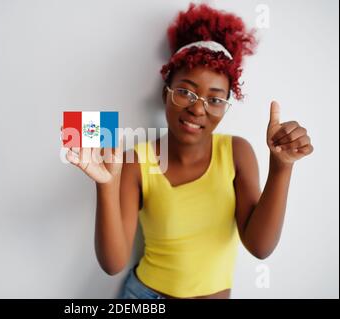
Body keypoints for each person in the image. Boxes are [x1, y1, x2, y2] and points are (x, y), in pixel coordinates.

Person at [62, 3, 314, 299]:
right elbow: (113, 263)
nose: (197, 108)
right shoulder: (134, 160)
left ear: (226, 107)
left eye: (215, 99)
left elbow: (260, 247)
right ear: (165, 93)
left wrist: (281, 167)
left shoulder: (237, 153)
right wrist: (105, 185)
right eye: (185, 91)